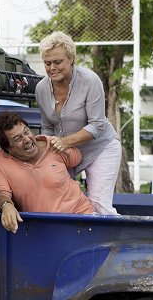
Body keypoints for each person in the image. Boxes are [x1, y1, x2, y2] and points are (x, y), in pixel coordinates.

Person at [35, 31, 122, 215]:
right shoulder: (41, 88)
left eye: (57, 62)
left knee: (99, 205)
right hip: (66, 153)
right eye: (47, 63)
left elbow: (97, 125)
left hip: (100, 149)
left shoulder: (90, 80)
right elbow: (47, 127)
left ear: (71, 59)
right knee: (55, 200)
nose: (52, 68)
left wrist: (65, 142)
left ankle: (114, 242)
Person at [0, 111, 96, 233]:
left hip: (82, 219)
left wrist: (63, 144)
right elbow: (1, 192)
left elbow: (77, 159)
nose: (27, 139)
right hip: (43, 229)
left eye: (26, 132)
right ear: (7, 149)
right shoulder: (1, 159)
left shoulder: (52, 145)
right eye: (18, 139)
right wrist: (6, 206)